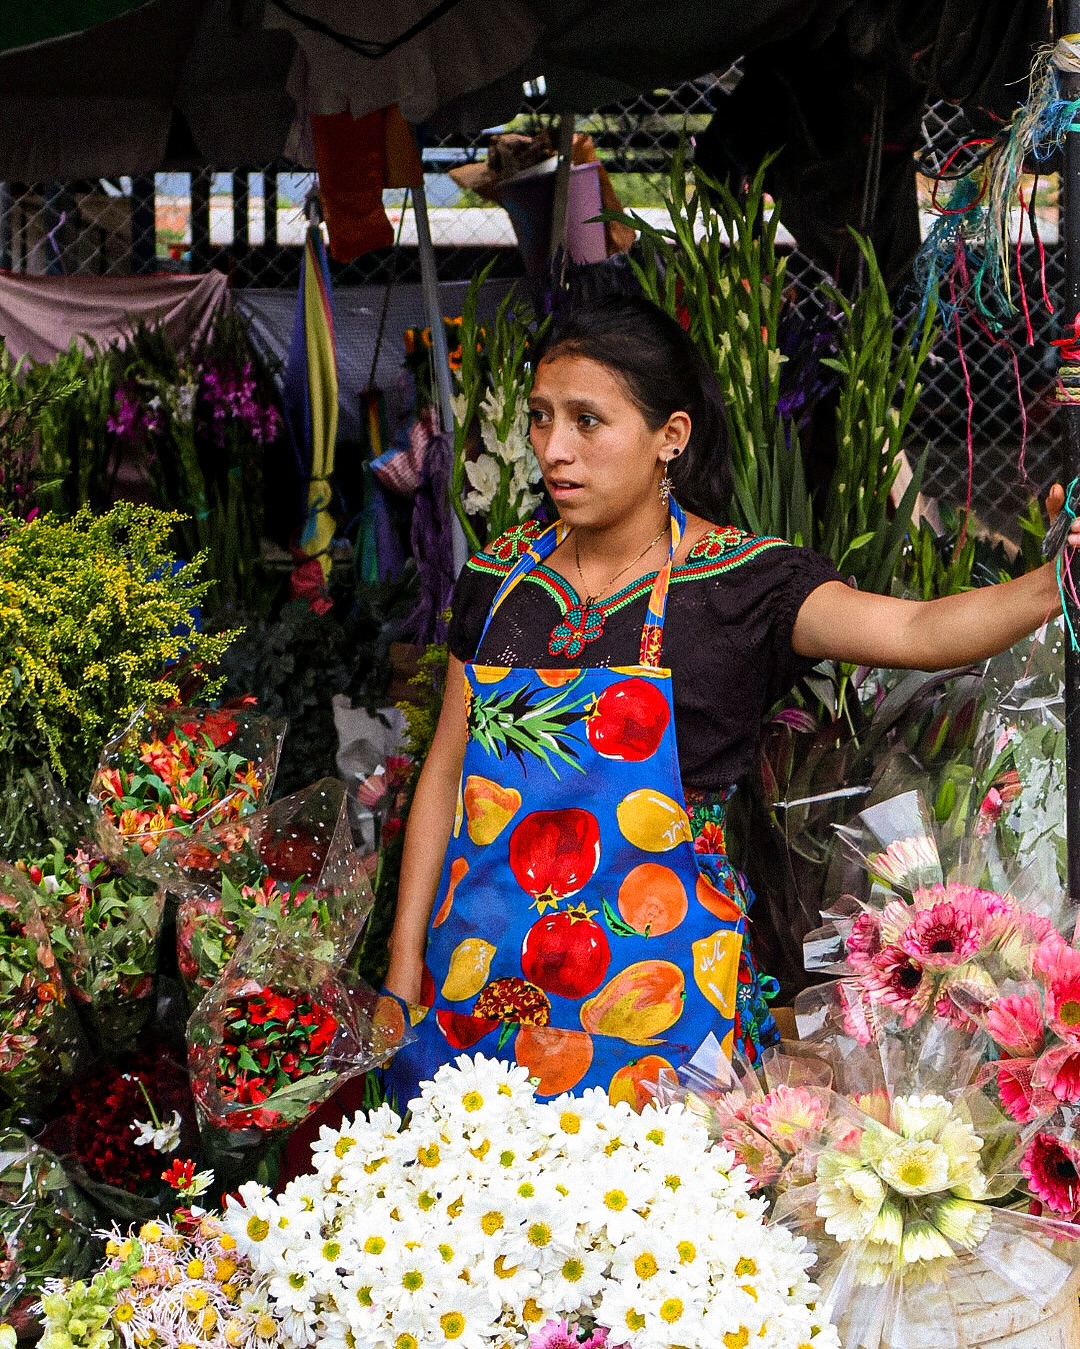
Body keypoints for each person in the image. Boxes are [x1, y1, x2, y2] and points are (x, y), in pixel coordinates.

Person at [381, 292, 1080, 1107]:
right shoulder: (499, 579)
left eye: (586, 421)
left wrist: (1048, 583)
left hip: (666, 995)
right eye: (540, 419)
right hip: (479, 991)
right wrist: (403, 975)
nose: (553, 450)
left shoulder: (741, 584)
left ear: (669, 437)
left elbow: (919, 630)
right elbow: (443, 776)